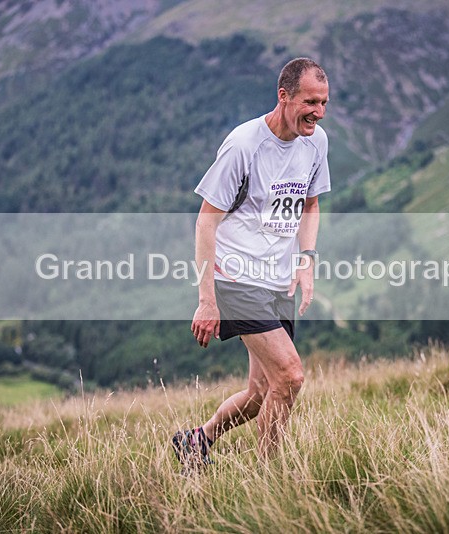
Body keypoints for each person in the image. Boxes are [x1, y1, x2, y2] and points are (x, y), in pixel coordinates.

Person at [173, 57, 330, 467]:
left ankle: (197, 441)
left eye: (324, 102)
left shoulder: (317, 142)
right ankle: (267, 483)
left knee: (262, 393)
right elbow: (206, 221)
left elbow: (310, 205)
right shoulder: (244, 145)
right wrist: (207, 299)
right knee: (290, 377)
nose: (318, 112)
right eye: (309, 101)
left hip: (278, 283)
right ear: (284, 96)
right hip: (236, 278)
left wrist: (306, 260)